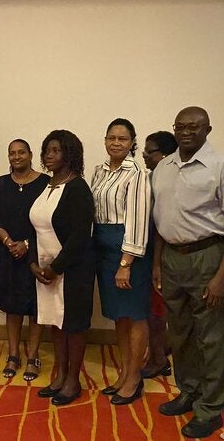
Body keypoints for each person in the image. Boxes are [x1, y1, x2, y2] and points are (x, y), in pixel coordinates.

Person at [151, 107, 224, 439]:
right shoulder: (163, 168)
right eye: (181, 127)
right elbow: (160, 220)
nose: (186, 132)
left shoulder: (222, 167)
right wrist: (157, 263)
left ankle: (210, 409)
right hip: (172, 258)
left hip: (208, 257)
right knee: (180, 332)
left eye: (194, 127)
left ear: (208, 129)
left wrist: (222, 275)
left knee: (213, 337)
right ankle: (188, 391)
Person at [28, 130, 94, 406]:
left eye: (56, 150)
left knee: (73, 325)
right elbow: (34, 228)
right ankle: (61, 375)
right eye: (47, 150)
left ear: (70, 154)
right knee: (56, 322)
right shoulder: (47, 186)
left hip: (72, 271)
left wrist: (56, 267)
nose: (49, 155)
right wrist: (34, 263)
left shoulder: (78, 188)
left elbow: (80, 235)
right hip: (46, 271)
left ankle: (73, 381)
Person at [90, 119, 151, 405]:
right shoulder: (99, 171)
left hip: (127, 251)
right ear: (105, 140)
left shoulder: (137, 174)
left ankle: (134, 377)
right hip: (103, 249)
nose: (116, 143)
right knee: (119, 315)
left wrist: (126, 263)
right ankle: (125, 372)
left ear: (132, 143)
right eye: (111, 137)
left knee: (134, 314)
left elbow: (138, 220)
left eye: (123, 139)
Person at [0, 139, 49, 381]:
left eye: (22, 152)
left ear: (30, 155)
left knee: (35, 306)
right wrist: (9, 242)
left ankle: (33, 356)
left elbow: (49, 221)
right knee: (12, 306)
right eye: (12, 153)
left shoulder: (45, 184)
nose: (17, 156)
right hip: (7, 253)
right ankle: (13, 355)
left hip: (36, 253)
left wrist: (27, 244)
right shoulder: (1, 184)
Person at [140, 130, 178, 379]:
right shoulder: (152, 177)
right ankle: (160, 351)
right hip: (151, 252)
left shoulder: (167, 181)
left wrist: (156, 264)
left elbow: (162, 225)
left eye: (149, 151)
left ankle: (158, 360)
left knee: (155, 313)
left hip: (161, 254)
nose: (144, 155)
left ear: (164, 155)